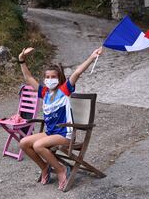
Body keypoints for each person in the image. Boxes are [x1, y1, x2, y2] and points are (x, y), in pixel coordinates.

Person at [18, 46, 103, 190]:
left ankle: (61, 169)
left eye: (53, 77)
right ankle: (45, 167)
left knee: (38, 145)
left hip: (65, 134)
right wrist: (21, 60)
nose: (50, 80)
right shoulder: (44, 92)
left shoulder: (64, 90)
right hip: (51, 133)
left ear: (59, 78)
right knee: (24, 143)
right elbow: (28, 78)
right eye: (47, 77)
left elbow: (77, 72)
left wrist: (91, 57)